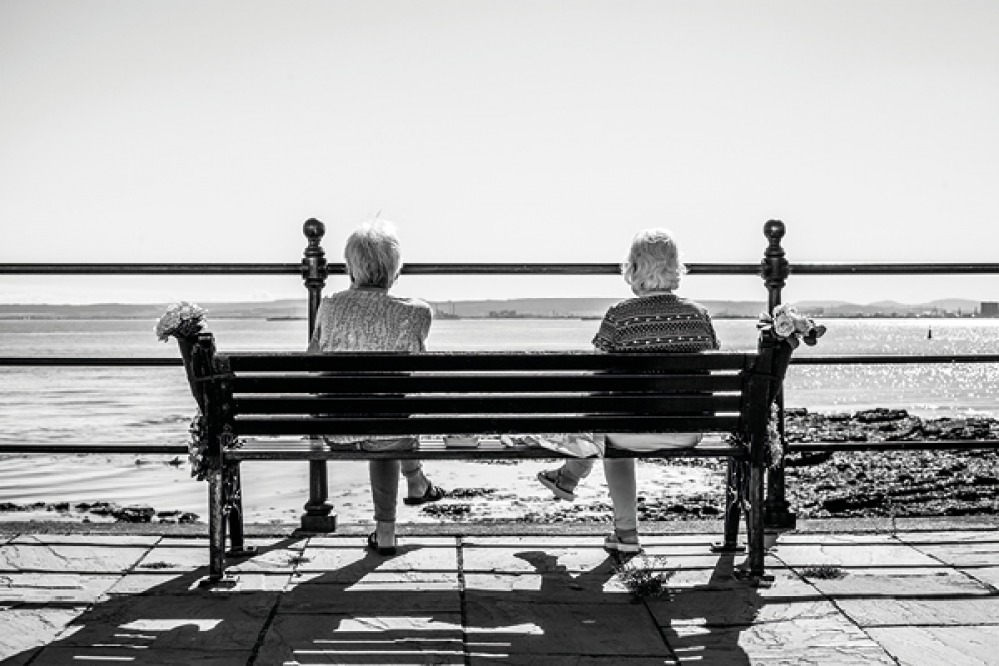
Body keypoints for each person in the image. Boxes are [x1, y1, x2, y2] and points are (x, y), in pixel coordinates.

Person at [536, 228, 719, 553]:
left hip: (628, 432)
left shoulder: (620, 316)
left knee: (608, 429)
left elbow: (598, 379)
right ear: (675, 267)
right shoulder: (699, 315)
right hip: (689, 430)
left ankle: (623, 530)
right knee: (610, 426)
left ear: (633, 268)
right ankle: (569, 476)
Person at [308, 219, 445, 556]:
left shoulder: (329, 306)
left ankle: (407, 497)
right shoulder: (417, 312)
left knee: (381, 415)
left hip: (336, 430)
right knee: (389, 417)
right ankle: (397, 513)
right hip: (391, 430)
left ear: (350, 267)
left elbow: (311, 361)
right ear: (395, 268)